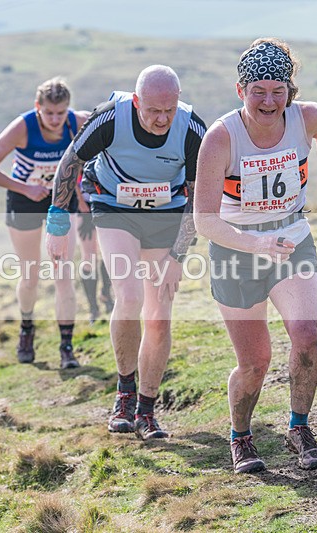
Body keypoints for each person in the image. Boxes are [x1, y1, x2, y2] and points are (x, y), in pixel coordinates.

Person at [194, 38, 317, 473]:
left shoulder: (307, 117)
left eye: (278, 90)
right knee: (255, 363)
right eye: (258, 90)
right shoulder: (221, 138)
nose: (268, 100)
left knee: (309, 336)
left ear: (290, 92)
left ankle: (299, 427)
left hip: (292, 240)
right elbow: (205, 221)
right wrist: (255, 243)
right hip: (237, 252)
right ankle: (241, 435)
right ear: (240, 91)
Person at [46, 65, 206, 440]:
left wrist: (178, 257)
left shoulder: (191, 128)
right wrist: (57, 220)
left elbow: (200, 198)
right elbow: (71, 162)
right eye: (153, 111)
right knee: (130, 296)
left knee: (160, 314)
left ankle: (148, 411)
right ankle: (124, 393)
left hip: (166, 214)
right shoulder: (110, 117)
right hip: (113, 207)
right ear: (137, 102)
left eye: (169, 109)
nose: (162, 119)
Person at [0, 77, 92, 369]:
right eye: (49, 113)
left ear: (68, 108)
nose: (55, 120)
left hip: (59, 201)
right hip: (24, 199)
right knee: (31, 274)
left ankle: (67, 347)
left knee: (63, 274)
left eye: (60, 113)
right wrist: (25, 188)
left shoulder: (76, 123)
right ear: (37, 107)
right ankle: (27, 328)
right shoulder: (22, 127)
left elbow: (90, 157)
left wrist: (79, 191)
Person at [74, 178, 113, 324]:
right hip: (84, 207)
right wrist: (80, 203)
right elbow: (72, 173)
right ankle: (93, 308)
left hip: (107, 204)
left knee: (109, 253)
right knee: (89, 256)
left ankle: (106, 294)